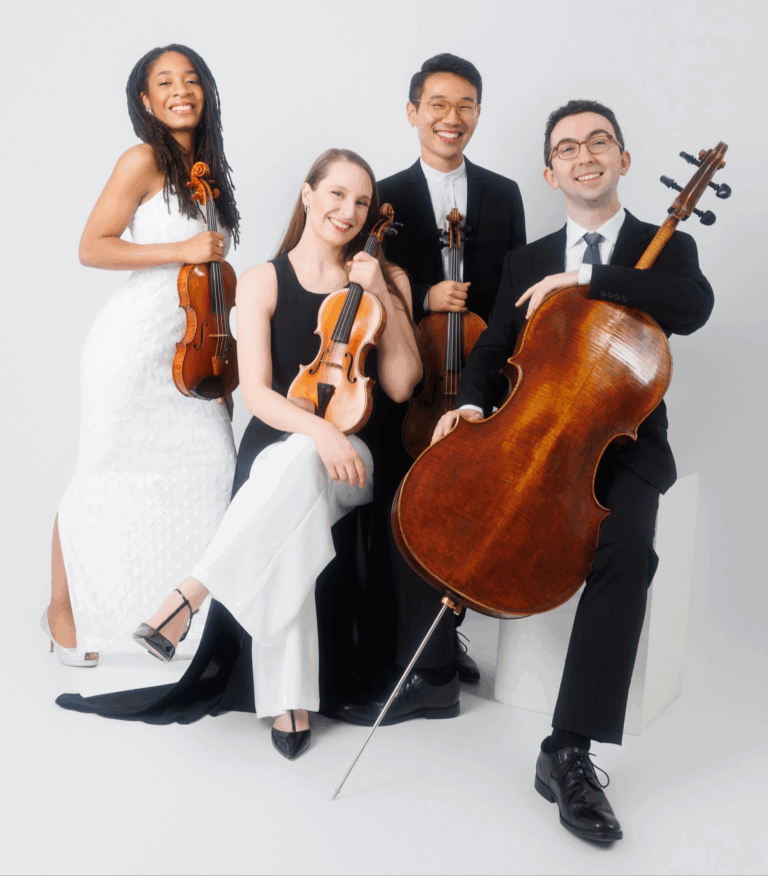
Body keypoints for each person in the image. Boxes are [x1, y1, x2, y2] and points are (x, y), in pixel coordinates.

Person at [57, 149, 422, 760]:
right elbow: (257, 395)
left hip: (354, 458)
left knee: (297, 470)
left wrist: (381, 289)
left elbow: (403, 385)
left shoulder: (387, 279)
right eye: (337, 194)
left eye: (362, 202)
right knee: (294, 487)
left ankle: (188, 596)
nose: (349, 211)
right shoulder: (261, 281)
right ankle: (290, 702)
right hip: (291, 450)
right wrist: (319, 434)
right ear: (307, 195)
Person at [430, 100, 714, 841]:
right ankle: (439, 646)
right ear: (550, 172)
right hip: (535, 434)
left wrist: (586, 279)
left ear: (623, 159)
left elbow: (691, 307)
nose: (585, 155)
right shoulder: (525, 262)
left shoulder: (665, 245)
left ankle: (567, 750)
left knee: (628, 552)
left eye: (599, 142)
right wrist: (471, 405)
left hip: (624, 446)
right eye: (567, 147)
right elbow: (494, 351)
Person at [334, 53, 526, 726]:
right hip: (406, 391)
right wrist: (423, 302)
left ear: (479, 113)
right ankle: (423, 658)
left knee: (466, 518)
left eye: (466, 105)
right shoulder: (381, 195)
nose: (452, 117)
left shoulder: (503, 193)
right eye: (438, 104)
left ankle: (442, 648)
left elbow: (514, 296)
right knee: (404, 518)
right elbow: (361, 291)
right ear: (413, 111)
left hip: (474, 382)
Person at [43, 44, 239, 667]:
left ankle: (174, 619)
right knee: (100, 473)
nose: (181, 91)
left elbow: (211, 280)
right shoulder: (142, 159)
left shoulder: (207, 167)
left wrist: (222, 369)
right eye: (165, 82)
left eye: (191, 79)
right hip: (131, 349)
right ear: (146, 100)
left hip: (193, 351)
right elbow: (92, 247)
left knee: (215, 470)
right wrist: (182, 248)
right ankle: (63, 613)